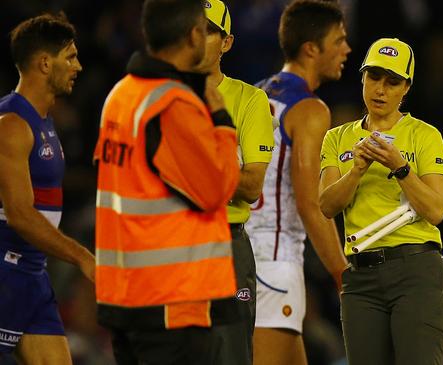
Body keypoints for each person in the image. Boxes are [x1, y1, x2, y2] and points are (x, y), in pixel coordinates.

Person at [93, 0, 242, 363]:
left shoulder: (120, 95)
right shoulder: (172, 103)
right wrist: (221, 119)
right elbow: (216, 189)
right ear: (193, 35)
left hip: (124, 296)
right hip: (171, 303)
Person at [319, 38, 443, 365]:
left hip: (416, 269)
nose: (381, 89)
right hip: (360, 276)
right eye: (375, 77)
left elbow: (436, 210)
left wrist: (400, 167)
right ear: (362, 77)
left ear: (406, 88)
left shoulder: (424, 135)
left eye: (392, 82)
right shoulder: (337, 138)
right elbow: (326, 205)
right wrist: (356, 172)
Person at [244, 1, 351, 364]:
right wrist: (342, 274)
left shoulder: (255, 95)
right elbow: (310, 203)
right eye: (338, 41)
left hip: (245, 256)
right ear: (311, 48)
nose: (346, 50)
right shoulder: (310, 110)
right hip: (274, 262)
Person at [0, 13, 95, 364]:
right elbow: (21, 216)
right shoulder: (11, 124)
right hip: (5, 273)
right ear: (44, 63)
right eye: (70, 56)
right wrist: (83, 256)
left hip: (32, 276)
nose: (79, 66)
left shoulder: (44, 121)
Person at [198, 1, 275, 363]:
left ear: (226, 42)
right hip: (169, 246)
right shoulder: (157, 98)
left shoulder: (249, 100)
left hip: (226, 247)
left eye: (209, 31)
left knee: (231, 356)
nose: (198, 38)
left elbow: (251, 185)